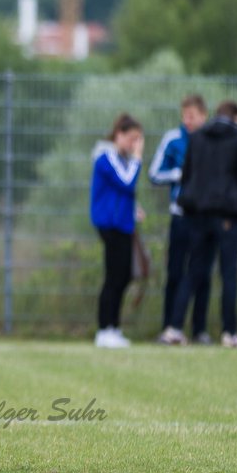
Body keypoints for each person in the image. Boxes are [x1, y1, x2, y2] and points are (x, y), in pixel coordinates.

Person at [165, 100, 237, 348]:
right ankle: (229, 332)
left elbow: (186, 175)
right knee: (228, 274)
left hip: (198, 215)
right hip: (228, 216)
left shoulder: (197, 137)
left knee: (193, 272)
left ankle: (174, 327)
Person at [150, 95, 211, 345]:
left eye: (192, 116)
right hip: (180, 216)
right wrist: (179, 174)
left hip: (205, 216)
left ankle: (200, 329)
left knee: (203, 275)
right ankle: (169, 327)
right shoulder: (172, 139)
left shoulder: (211, 140)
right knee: (175, 272)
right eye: (184, 115)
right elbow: (154, 173)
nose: (187, 120)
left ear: (203, 116)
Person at [90, 114, 144, 349]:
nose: (133, 145)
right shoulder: (106, 157)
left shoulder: (120, 159)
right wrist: (138, 158)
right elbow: (127, 182)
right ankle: (104, 329)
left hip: (123, 223)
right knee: (113, 276)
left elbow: (123, 192)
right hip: (110, 224)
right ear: (119, 135)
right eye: (132, 139)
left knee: (123, 275)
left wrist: (133, 209)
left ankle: (114, 327)